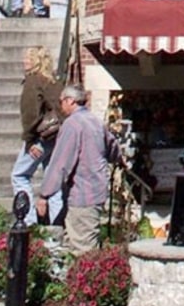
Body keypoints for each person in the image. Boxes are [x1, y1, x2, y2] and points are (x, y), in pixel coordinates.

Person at [35, 84, 124, 254]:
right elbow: (114, 147)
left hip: (83, 194)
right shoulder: (95, 121)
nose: (60, 106)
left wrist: (44, 194)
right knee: (83, 245)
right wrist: (118, 159)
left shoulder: (72, 125)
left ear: (71, 101)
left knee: (82, 252)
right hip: (97, 193)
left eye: (61, 102)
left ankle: (88, 281)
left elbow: (60, 163)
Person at [10, 46, 64, 226]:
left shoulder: (33, 81)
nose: (23, 61)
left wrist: (29, 140)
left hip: (40, 138)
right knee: (53, 182)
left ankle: (28, 221)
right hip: (55, 137)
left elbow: (30, 113)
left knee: (19, 175)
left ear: (35, 62)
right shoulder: (54, 81)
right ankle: (56, 226)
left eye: (27, 58)